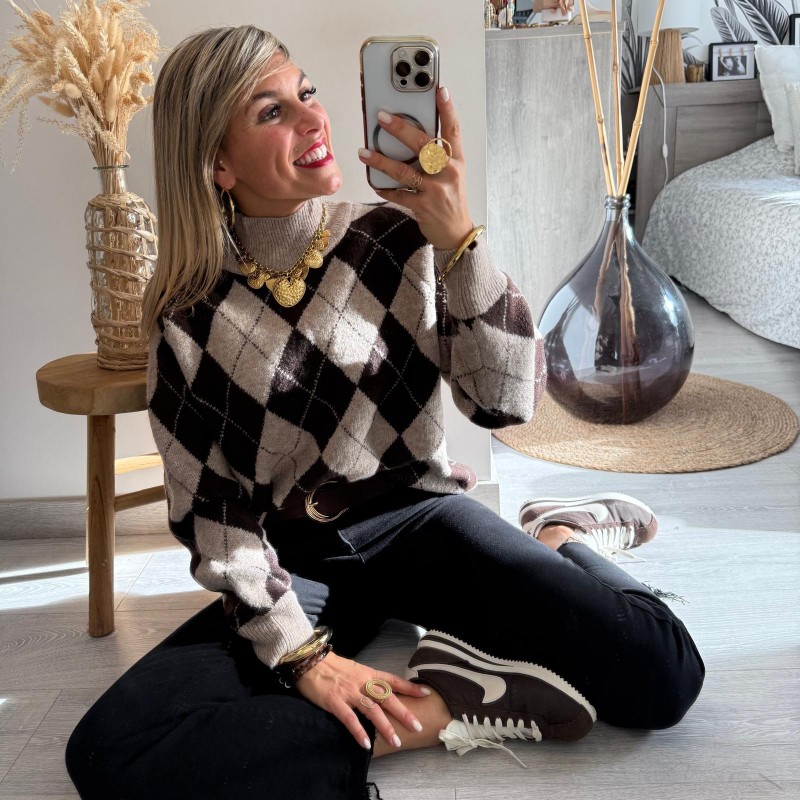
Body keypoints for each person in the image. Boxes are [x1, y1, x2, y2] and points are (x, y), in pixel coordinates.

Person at [64, 25, 704, 800]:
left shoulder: (396, 236)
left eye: (306, 93)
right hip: (294, 559)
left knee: (662, 673)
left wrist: (459, 238)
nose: (314, 118)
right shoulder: (184, 315)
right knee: (111, 750)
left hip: (420, 520)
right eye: (272, 111)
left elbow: (505, 402)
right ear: (217, 164)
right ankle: (447, 707)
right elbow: (212, 514)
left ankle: (561, 534)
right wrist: (300, 656)